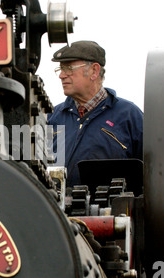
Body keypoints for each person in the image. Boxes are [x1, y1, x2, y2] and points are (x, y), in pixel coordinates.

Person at [47, 40, 143, 187]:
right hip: (53, 208)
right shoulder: (52, 117)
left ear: (94, 71)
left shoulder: (130, 116)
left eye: (68, 68)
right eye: (60, 69)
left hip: (113, 209)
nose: (61, 75)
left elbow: (153, 173)